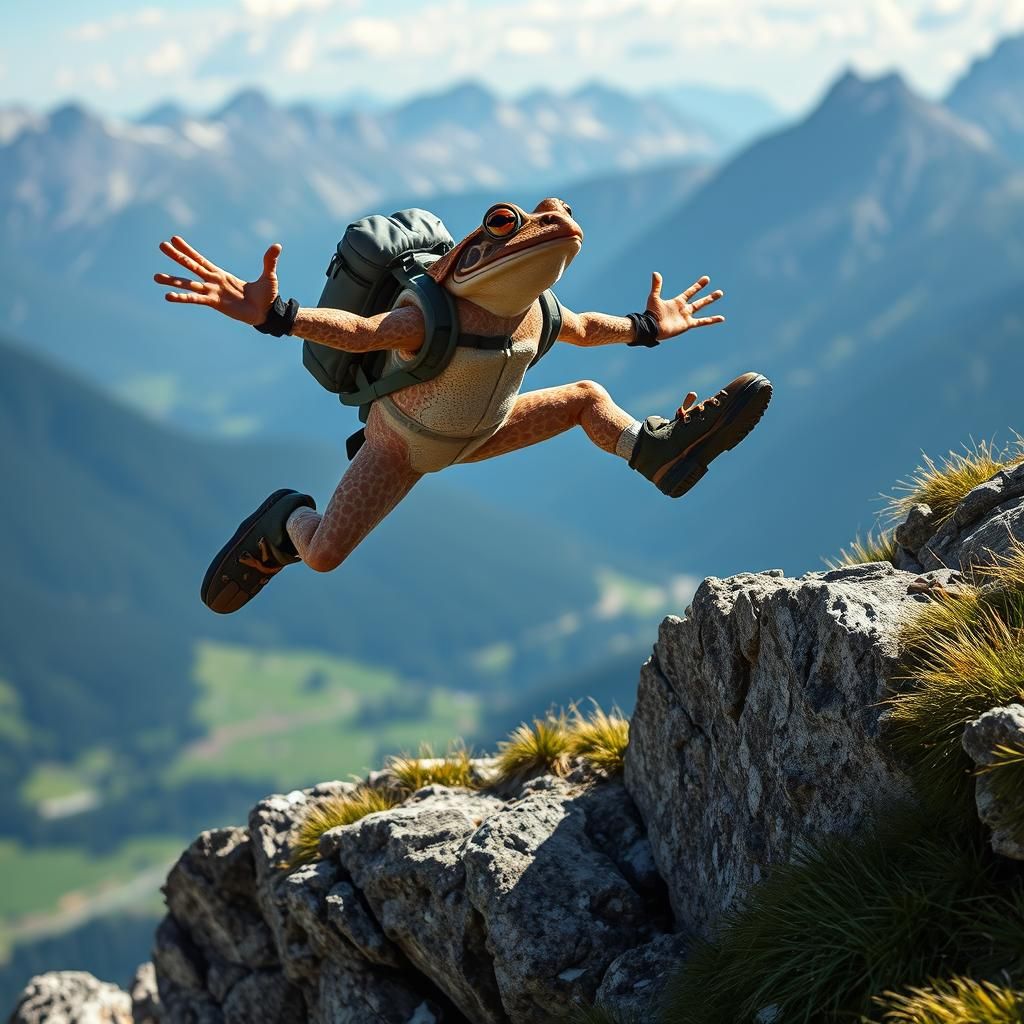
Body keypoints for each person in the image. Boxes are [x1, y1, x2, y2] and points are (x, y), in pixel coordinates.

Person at [154, 197, 772, 613]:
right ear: (470, 251)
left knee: (587, 397)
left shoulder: (538, 312)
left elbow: (583, 325)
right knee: (321, 555)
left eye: (558, 217)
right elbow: (363, 333)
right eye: (507, 223)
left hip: (483, 431)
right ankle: (285, 517)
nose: (548, 226)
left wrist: (645, 326)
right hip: (401, 448)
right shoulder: (431, 314)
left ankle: (655, 451)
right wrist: (277, 316)